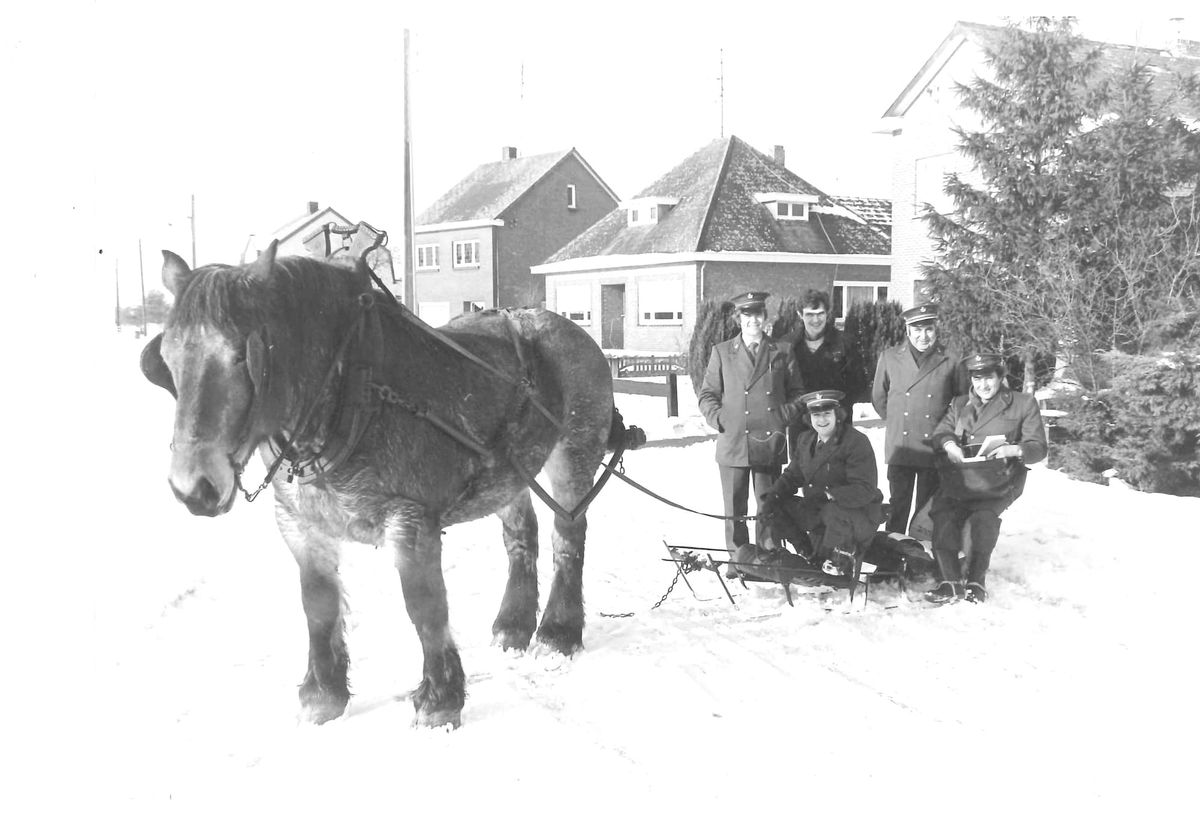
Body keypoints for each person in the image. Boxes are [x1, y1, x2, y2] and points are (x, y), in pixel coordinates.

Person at [924, 353, 1047, 604]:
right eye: (977, 379)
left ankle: (976, 580)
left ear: (1000, 377)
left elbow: (1038, 448)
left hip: (1000, 481)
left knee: (983, 518)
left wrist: (1013, 450)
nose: (983, 385)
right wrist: (949, 445)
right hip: (963, 479)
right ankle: (950, 581)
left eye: (989, 378)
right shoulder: (959, 404)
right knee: (943, 513)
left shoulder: (1022, 403)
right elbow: (941, 433)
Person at [698, 291, 806, 575]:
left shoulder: (781, 350)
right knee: (734, 508)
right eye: (747, 315)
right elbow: (708, 394)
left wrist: (782, 416)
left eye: (758, 314)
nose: (753, 321)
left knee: (767, 505)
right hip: (733, 441)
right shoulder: (722, 352)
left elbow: (798, 393)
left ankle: (767, 559)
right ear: (738, 319)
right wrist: (720, 418)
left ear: (764, 317)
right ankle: (738, 560)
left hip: (769, 441)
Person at [757, 390, 885, 574]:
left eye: (827, 414)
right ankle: (807, 553)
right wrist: (772, 497)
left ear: (837, 415)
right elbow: (793, 475)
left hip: (854, 515)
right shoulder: (805, 440)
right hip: (819, 512)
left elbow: (865, 489)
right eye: (816, 415)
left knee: (833, 511)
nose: (822, 420)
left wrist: (830, 494)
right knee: (776, 506)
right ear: (809, 418)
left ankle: (838, 562)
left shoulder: (855, 441)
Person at [871, 303, 968, 537]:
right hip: (901, 446)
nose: (923, 336)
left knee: (926, 509)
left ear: (936, 330)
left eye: (929, 330)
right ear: (907, 331)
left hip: (933, 446)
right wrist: (898, 421)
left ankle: (919, 561)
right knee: (898, 506)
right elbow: (878, 398)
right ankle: (891, 560)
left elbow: (961, 402)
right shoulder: (890, 357)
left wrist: (946, 432)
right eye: (917, 330)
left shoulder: (951, 360)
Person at [786, 289, 853, 417]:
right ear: (800, 314)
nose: (815, 320)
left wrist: (841, 411)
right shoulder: (788, 345)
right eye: (810, 314)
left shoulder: (844, 343)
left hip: (835, 418)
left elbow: (857, 384)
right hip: (801, 420)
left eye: (820, 313)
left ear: (827, 313)